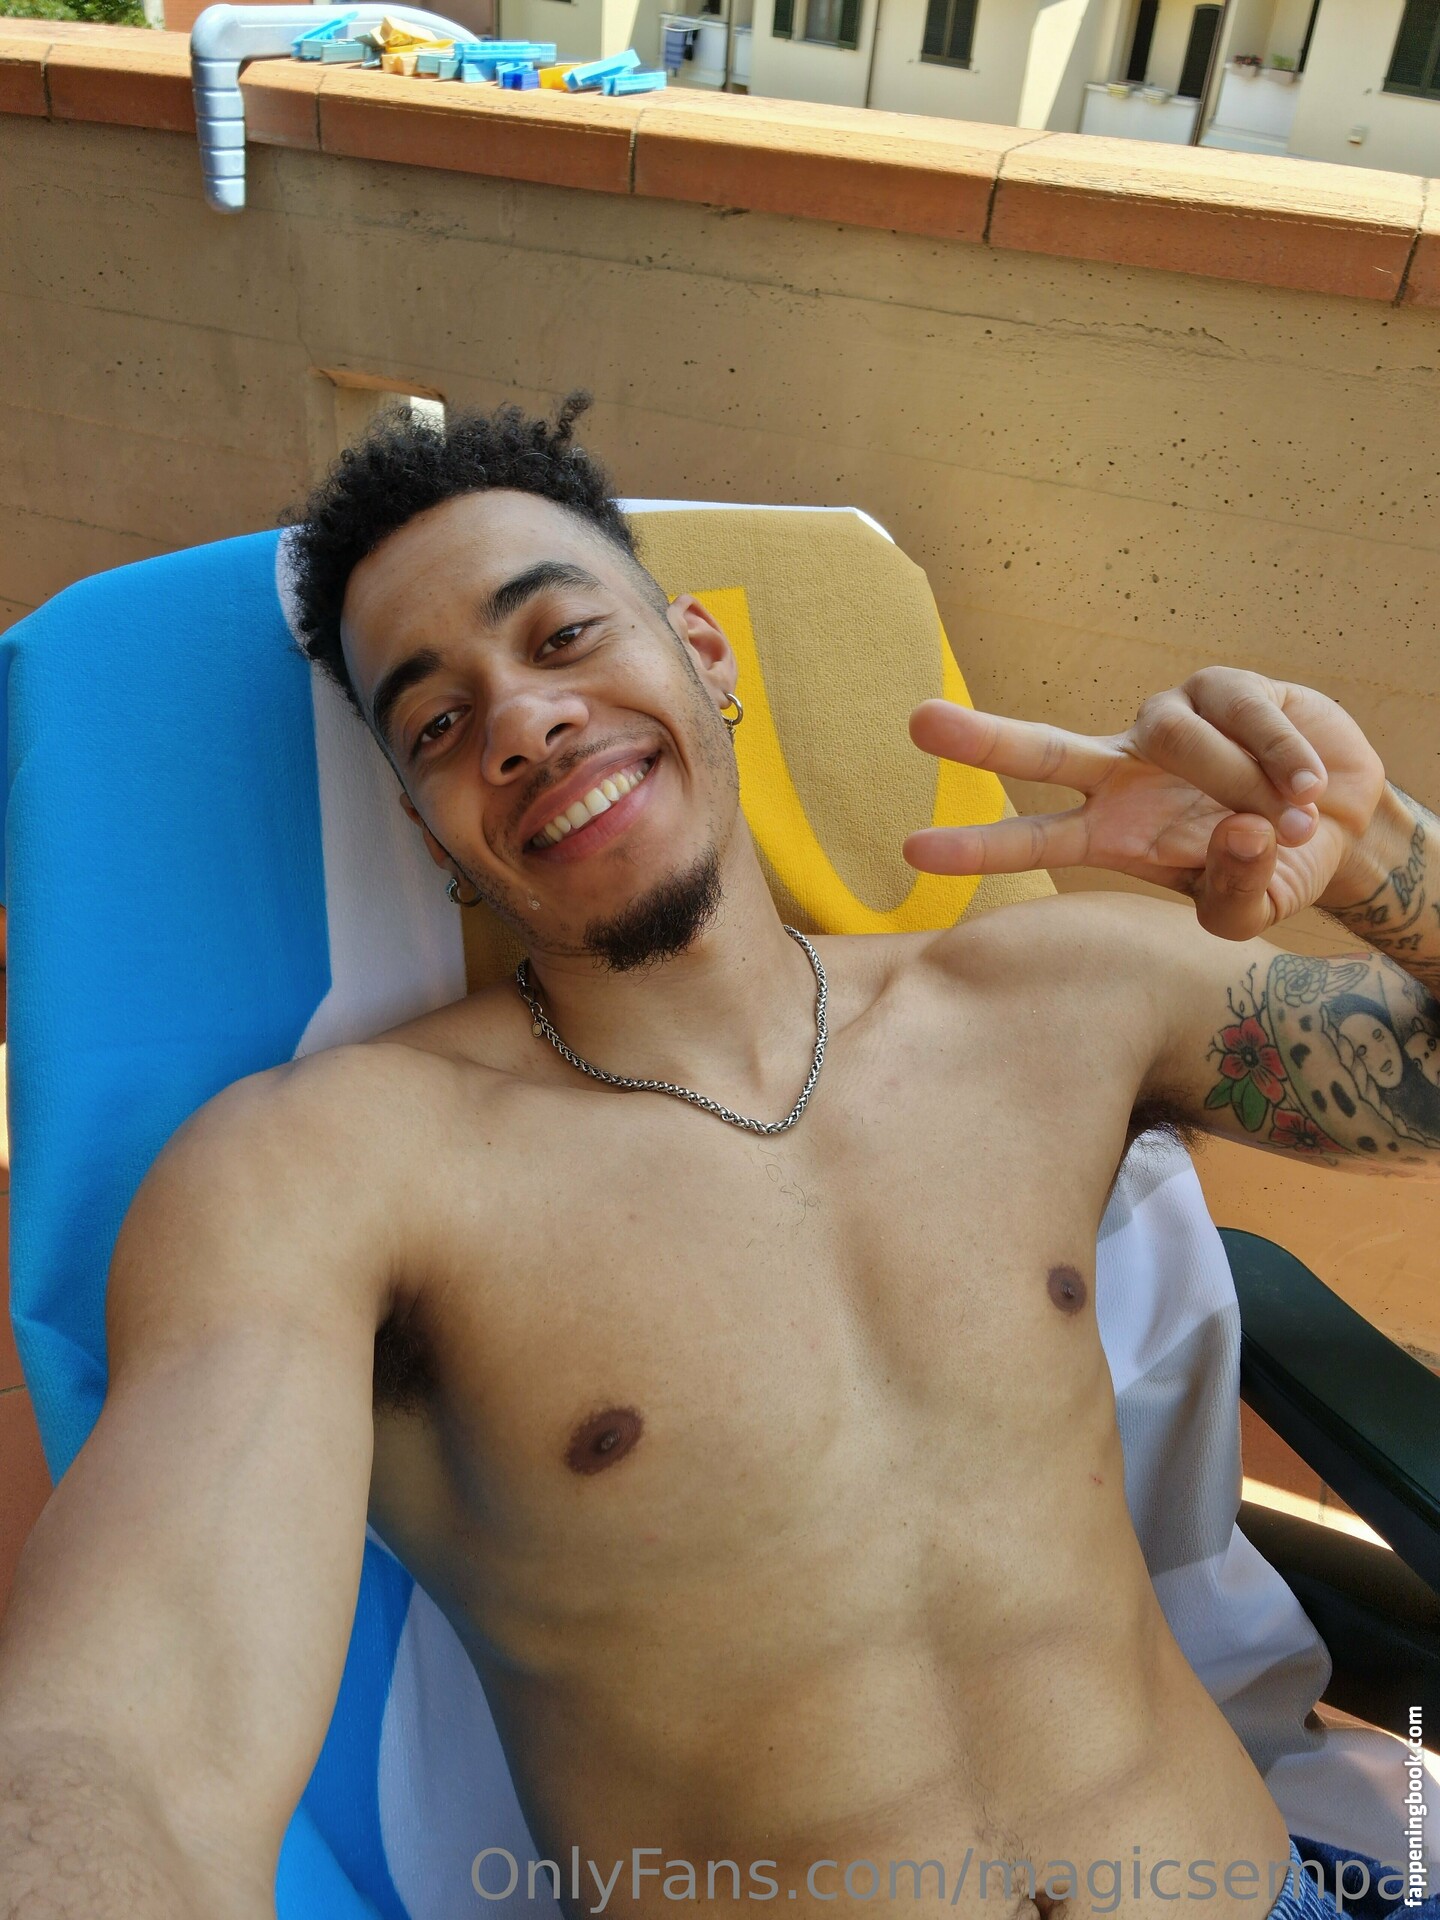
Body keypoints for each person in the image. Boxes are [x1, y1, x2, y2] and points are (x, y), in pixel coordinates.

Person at [0, 398, 1434, 1920]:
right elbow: (133, 1732)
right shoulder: (329, 1167)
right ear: (428, 834)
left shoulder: (1052, 1003)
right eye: (437, 726)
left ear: (706, 654)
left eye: (562, 638)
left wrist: (1371, 852)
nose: (521, 723)